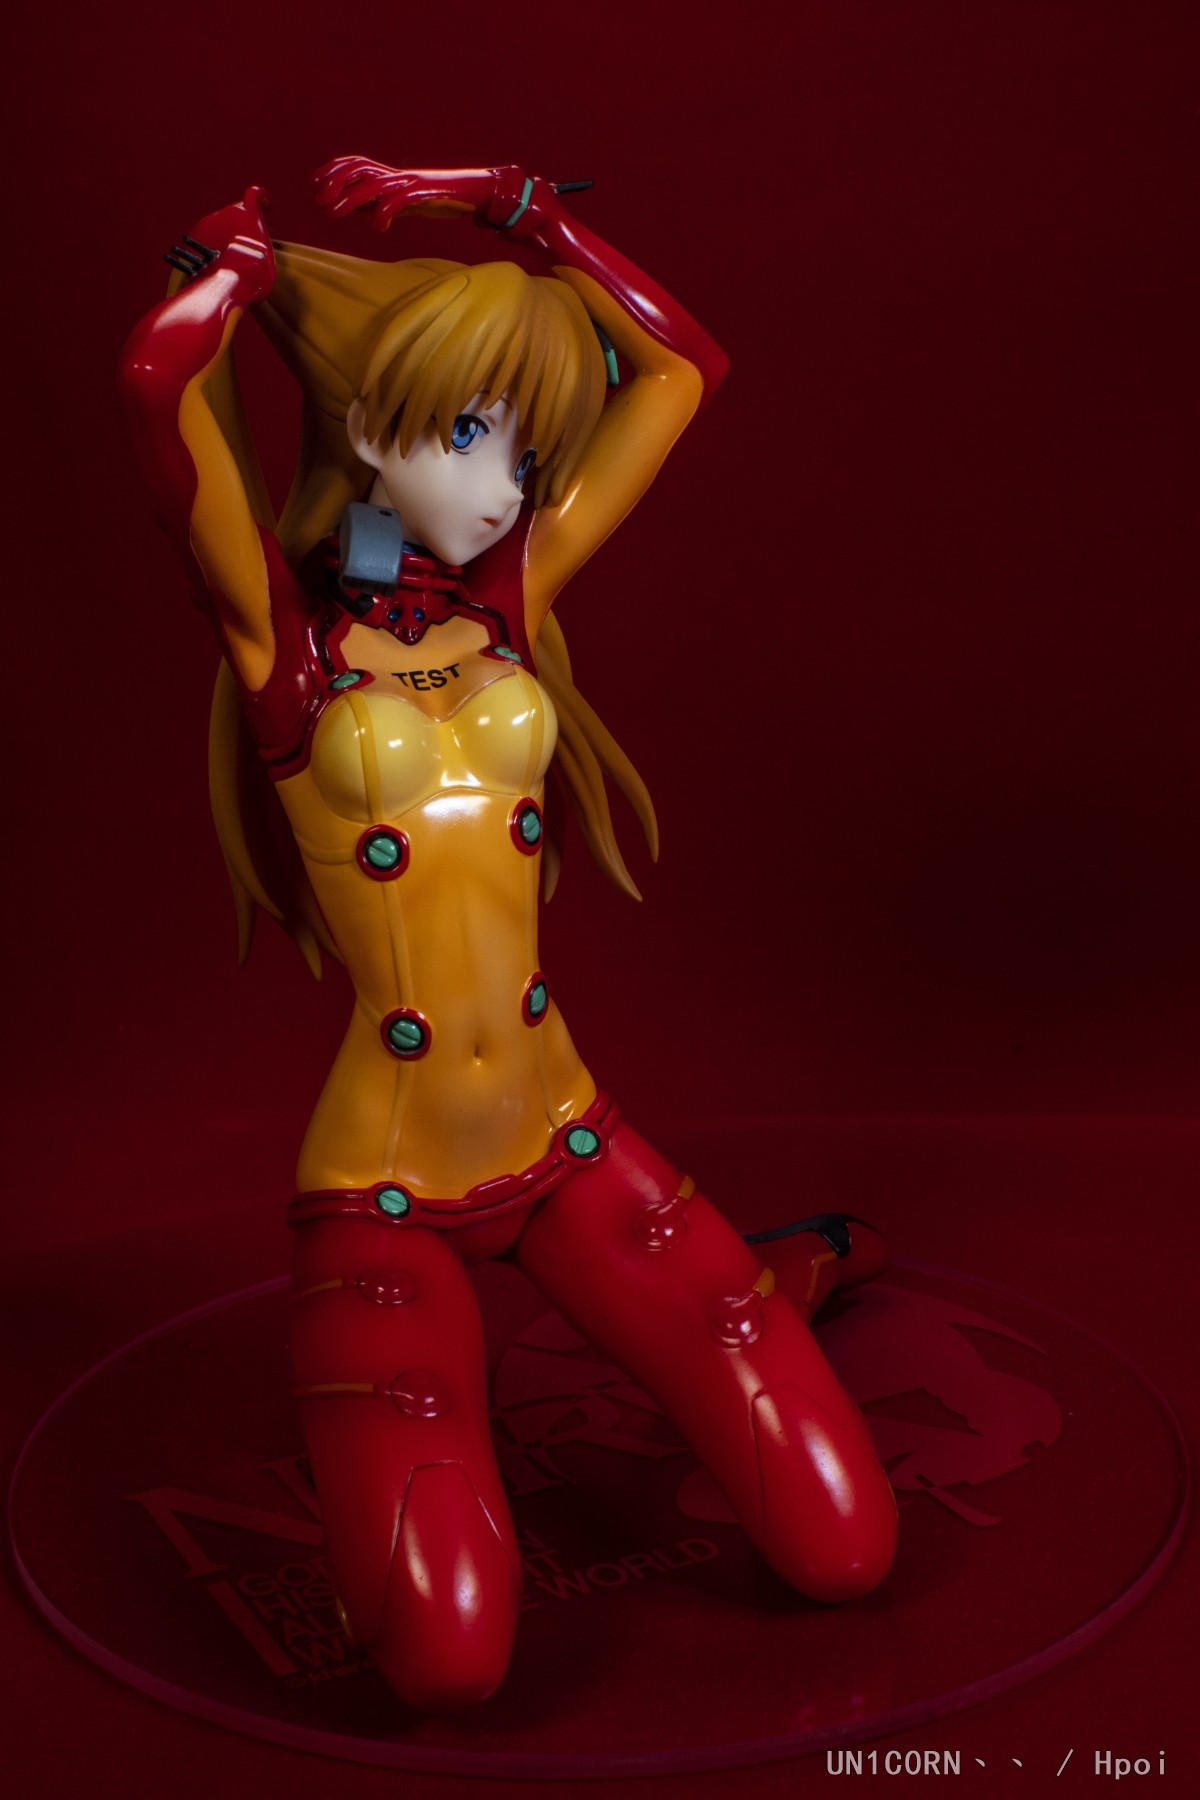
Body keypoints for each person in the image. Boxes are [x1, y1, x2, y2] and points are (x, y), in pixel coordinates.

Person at [121, 159, 897, 1711]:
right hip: (386, 1187)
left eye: (527, 447)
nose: (507, 487)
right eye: (474, 434)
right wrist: (226, 285)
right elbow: (157, 391)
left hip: (570, 1136)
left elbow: (681, 371)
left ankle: (779, 1276)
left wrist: (520, 205)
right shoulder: (287, 654)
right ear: (367, 430)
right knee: (450, 1657)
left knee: (848, 1550)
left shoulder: (511, 603)